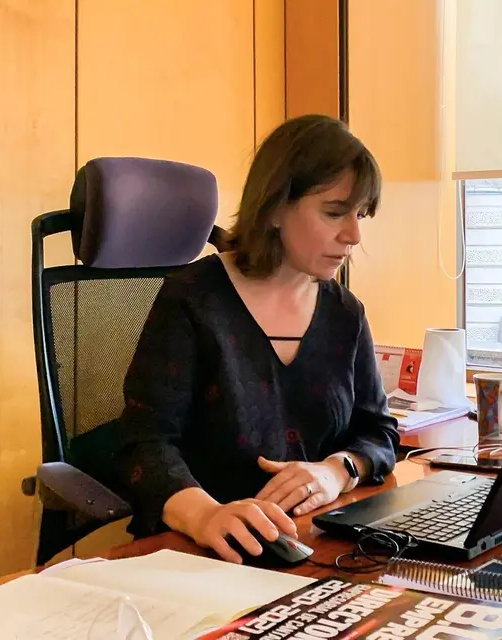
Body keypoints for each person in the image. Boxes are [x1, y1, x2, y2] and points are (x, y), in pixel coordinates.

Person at [116, 114, 399, 564]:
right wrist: (205, 515)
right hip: (202, 550)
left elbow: (378, 431)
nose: (354, 235)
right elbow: (144, 444)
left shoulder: (346, 313)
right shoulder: (192, 300)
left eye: (360, 215)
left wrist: (336, 470)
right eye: (334, 212)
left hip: (312, 543)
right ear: (273, 208)